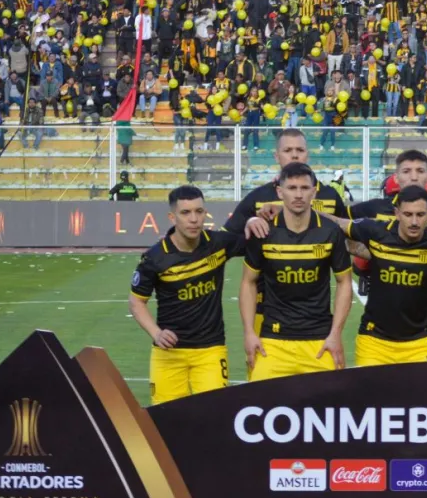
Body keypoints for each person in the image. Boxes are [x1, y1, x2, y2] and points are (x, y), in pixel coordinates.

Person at [321, 185, 427, 366]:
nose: (414, 222)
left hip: (420, 343)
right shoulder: (376, 231)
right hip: (374, 341)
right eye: (408, 214)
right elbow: (338, 223)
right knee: (373, 394)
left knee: (426, 393)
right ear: (397, 213)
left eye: (420, 215)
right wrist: (291, 211)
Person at [224, 128, 348, 338]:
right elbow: (227, 240)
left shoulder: (329, 196)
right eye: (288, 150)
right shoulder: (257, 197)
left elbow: (347, 234)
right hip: (266, 308)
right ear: (277, 156)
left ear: (307, 154)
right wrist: (250, 224)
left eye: (299, 149)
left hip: (315, 312)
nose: (294, 155)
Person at [128, 186, 245, 405]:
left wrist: (254, 222)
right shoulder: (155, 258)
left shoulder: (218, 244)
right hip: (169, 354)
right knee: (166, 422)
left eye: (199, 212)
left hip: (210, 350)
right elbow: (136, 301)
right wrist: (156, 333)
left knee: (215, 416)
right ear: (172, 217)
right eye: (186, 213)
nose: (194, 219)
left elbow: (257, 243)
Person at [239, 162, 353, 381]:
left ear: (314, 191)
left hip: (320, 341)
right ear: (280, 192)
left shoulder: (330, 232)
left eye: (304, 188)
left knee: (330, 409)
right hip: (273, 340)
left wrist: (335, 334)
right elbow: (248, 282)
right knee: (259, 406)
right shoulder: (263, 231)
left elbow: (344, 282)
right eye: (292, 188)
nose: (298, 194)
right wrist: (249, 333)